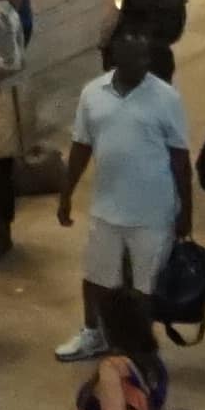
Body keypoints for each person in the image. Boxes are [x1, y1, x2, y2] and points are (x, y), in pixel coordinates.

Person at [63, 29, 193, 368]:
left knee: (145, 285)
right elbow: (81, 146)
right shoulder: (92, 94)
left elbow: (180, 158)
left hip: (153, 211)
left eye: (145, 56)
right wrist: (66, 194)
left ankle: (140, 345)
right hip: (106, 207)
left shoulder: (166, 98)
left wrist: (185, 210)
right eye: (136, 57)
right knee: (96, 276)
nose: (144, 63)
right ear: (115, 58)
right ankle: (94, 333)